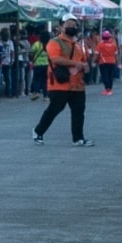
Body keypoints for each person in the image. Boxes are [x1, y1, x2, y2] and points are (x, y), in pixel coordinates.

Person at [32, 19, 93, 147]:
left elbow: (83, 60)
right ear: (61, 27)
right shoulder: (54, 42)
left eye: (74, 25)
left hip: (77, 84)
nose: (72, 27)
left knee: (78, 111)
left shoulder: (78, 44)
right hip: (59, 84)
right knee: (54, 109)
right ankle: (38, 131)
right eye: (69, 25)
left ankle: (78, 138)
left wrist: (85, 66)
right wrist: (76, 63)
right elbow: (55, 59)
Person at [95, 27, 119, 95]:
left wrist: (94, 61)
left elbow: (97, 54)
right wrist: (118, 63)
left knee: (104, 76)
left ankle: (107, 89)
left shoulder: (100, 44)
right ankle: (110, 89)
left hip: (103, 62)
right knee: (110, 76)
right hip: (112, 62)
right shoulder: (113, 44)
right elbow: (116, 54)